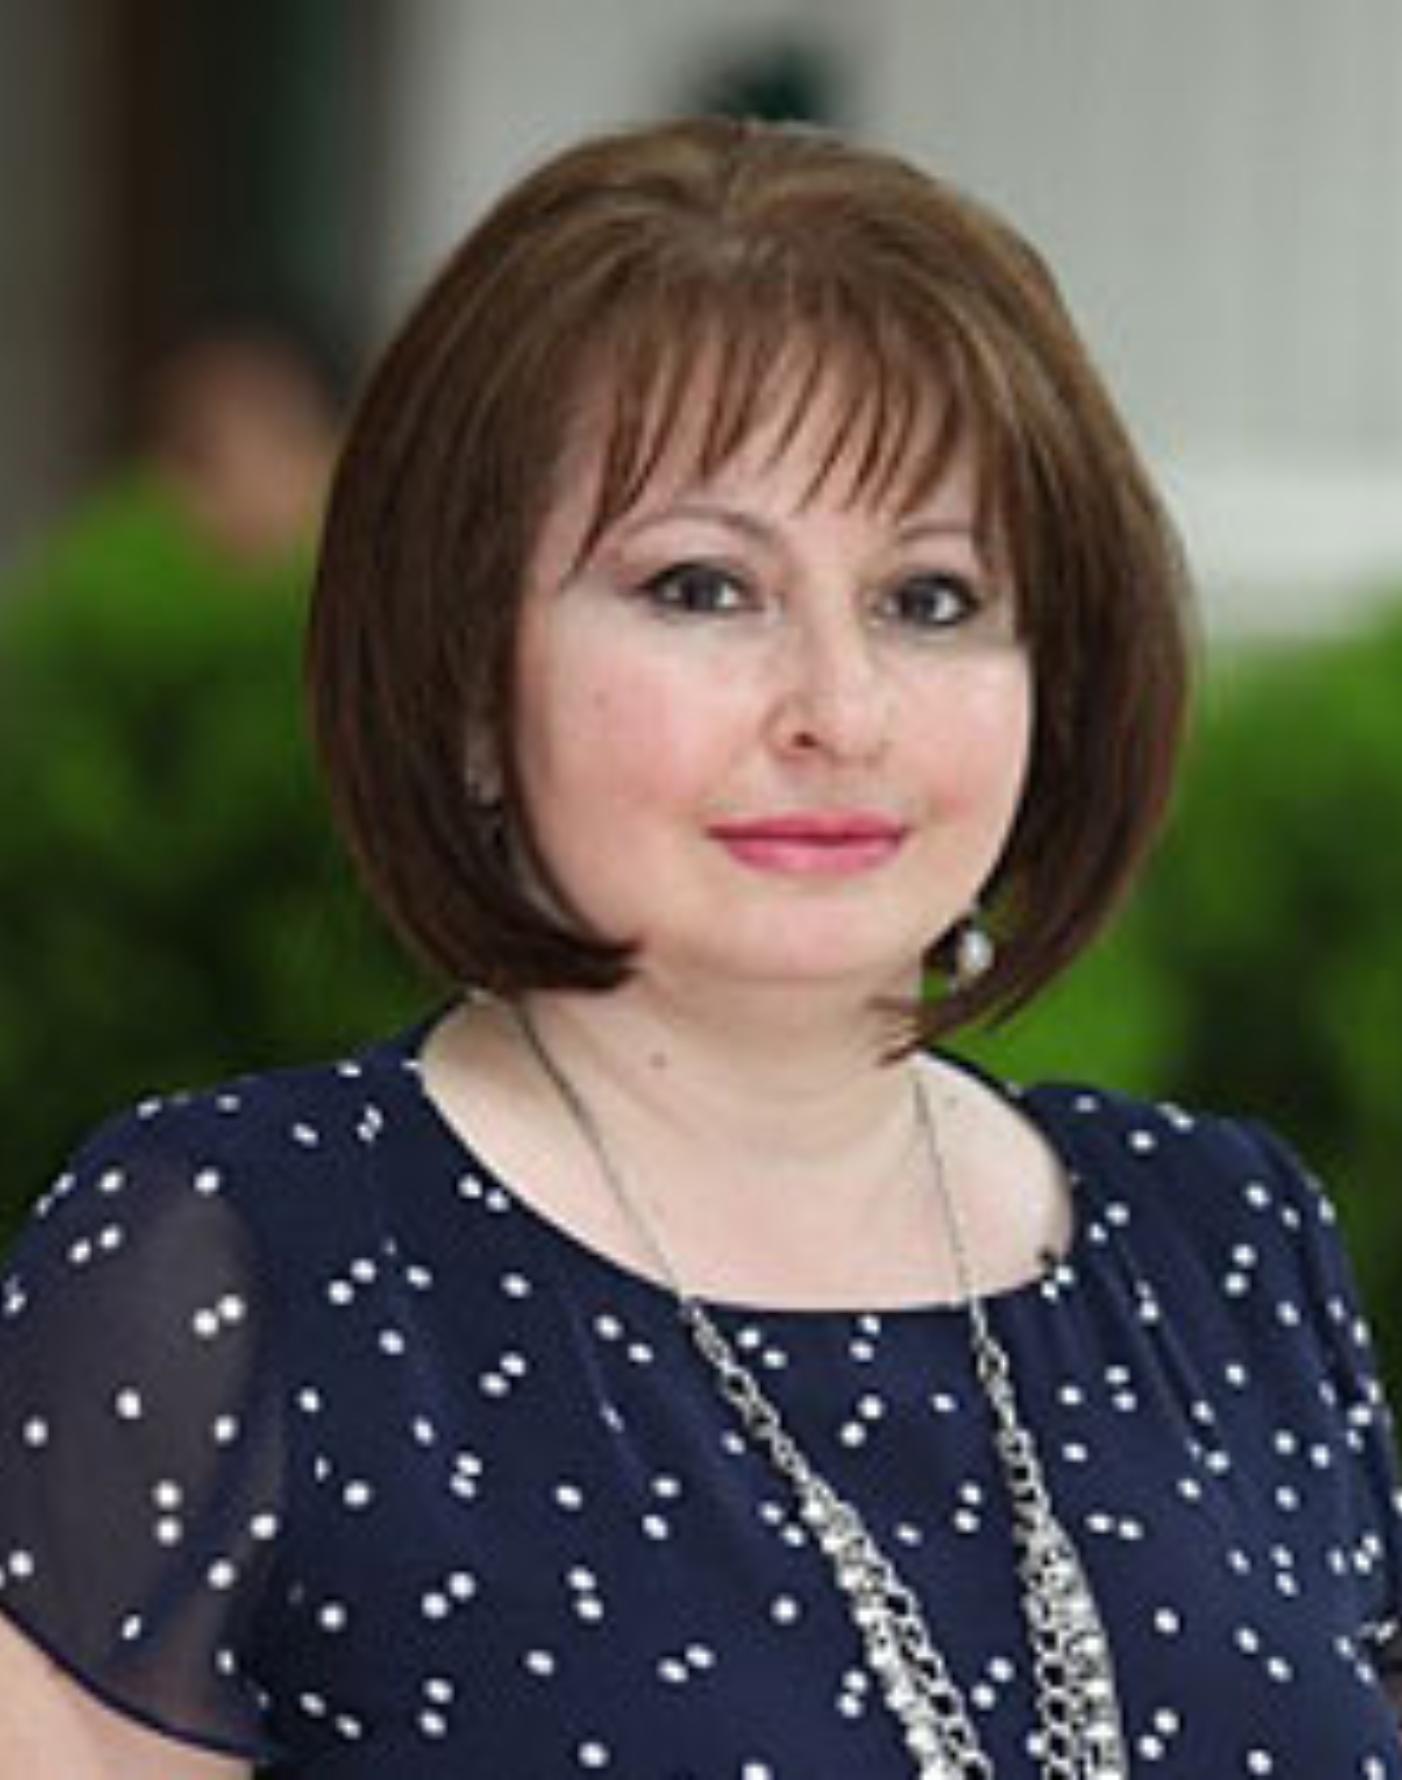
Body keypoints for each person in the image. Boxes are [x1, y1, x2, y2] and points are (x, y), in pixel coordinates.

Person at [0, 115, 1398, 1780]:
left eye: (929, 599)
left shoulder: (1224, 1241)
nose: (839, 710)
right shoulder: (230, 1266)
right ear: (464, 671)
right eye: (701, 588)